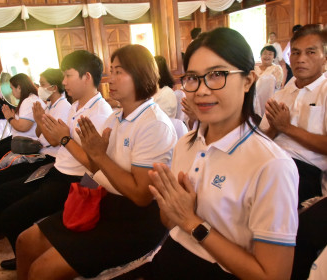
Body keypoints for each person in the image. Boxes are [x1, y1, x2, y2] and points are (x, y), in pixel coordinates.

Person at [121, 27, 299, 280]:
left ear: (248, 80)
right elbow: (169, 223)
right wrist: (170, 205)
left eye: (217, 75)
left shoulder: (272, 165)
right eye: (193, 77)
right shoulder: (185, 144)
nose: (201, 90)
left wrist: (193, 222)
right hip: (171, 256)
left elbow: (273, 275)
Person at [15, 44, 177, 280]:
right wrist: (82, 193)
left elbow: (141, 196)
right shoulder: (116, 117)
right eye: (112, 70)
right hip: (104, 202)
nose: (111, 78)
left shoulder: (154, 124)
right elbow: (96, 168)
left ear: (141, 74)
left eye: (119, 71)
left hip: (134, 222)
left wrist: (93, 154)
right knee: (25, 241)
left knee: (42, 270)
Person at [0, 50, 113, 270]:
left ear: (87, 77)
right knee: (6, 194)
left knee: (12, 217)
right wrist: (42, 120)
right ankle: (25, 255)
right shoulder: (77, 106)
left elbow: (94, 163)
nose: (64, 82)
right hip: (57, 170)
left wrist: (65, 138)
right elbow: (53, 140)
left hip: (72, 181)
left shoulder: (99, 112)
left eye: (68, 76)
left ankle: (25, 258)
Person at [0, 68, 71, 248]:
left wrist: (39, 121)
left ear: (54, 87)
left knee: (4, 185)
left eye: (43, 84)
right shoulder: (49, 105)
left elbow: (54, 141)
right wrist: (41, 121)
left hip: (49, 158)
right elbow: (41, 133)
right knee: (0, 175)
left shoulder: (64, 107)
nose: (39, 87)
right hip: (43, 152)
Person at [261, 24, 327, 206]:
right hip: (269, 161)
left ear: (324, 58)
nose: (301, 59)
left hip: (304, 171)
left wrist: (287, 128)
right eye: (296, 53)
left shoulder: (324, 90)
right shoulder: (281, 95)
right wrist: (274, 129)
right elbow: (260, 141)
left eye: (311, 52)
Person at [0, 73, 46, 198]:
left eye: (12, 88)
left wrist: (10, 118)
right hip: (23, 137)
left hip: (28, 141)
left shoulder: (29, 101)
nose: (11, 91)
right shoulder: (28, 99)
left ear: (20, 87)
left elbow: (22, 127)